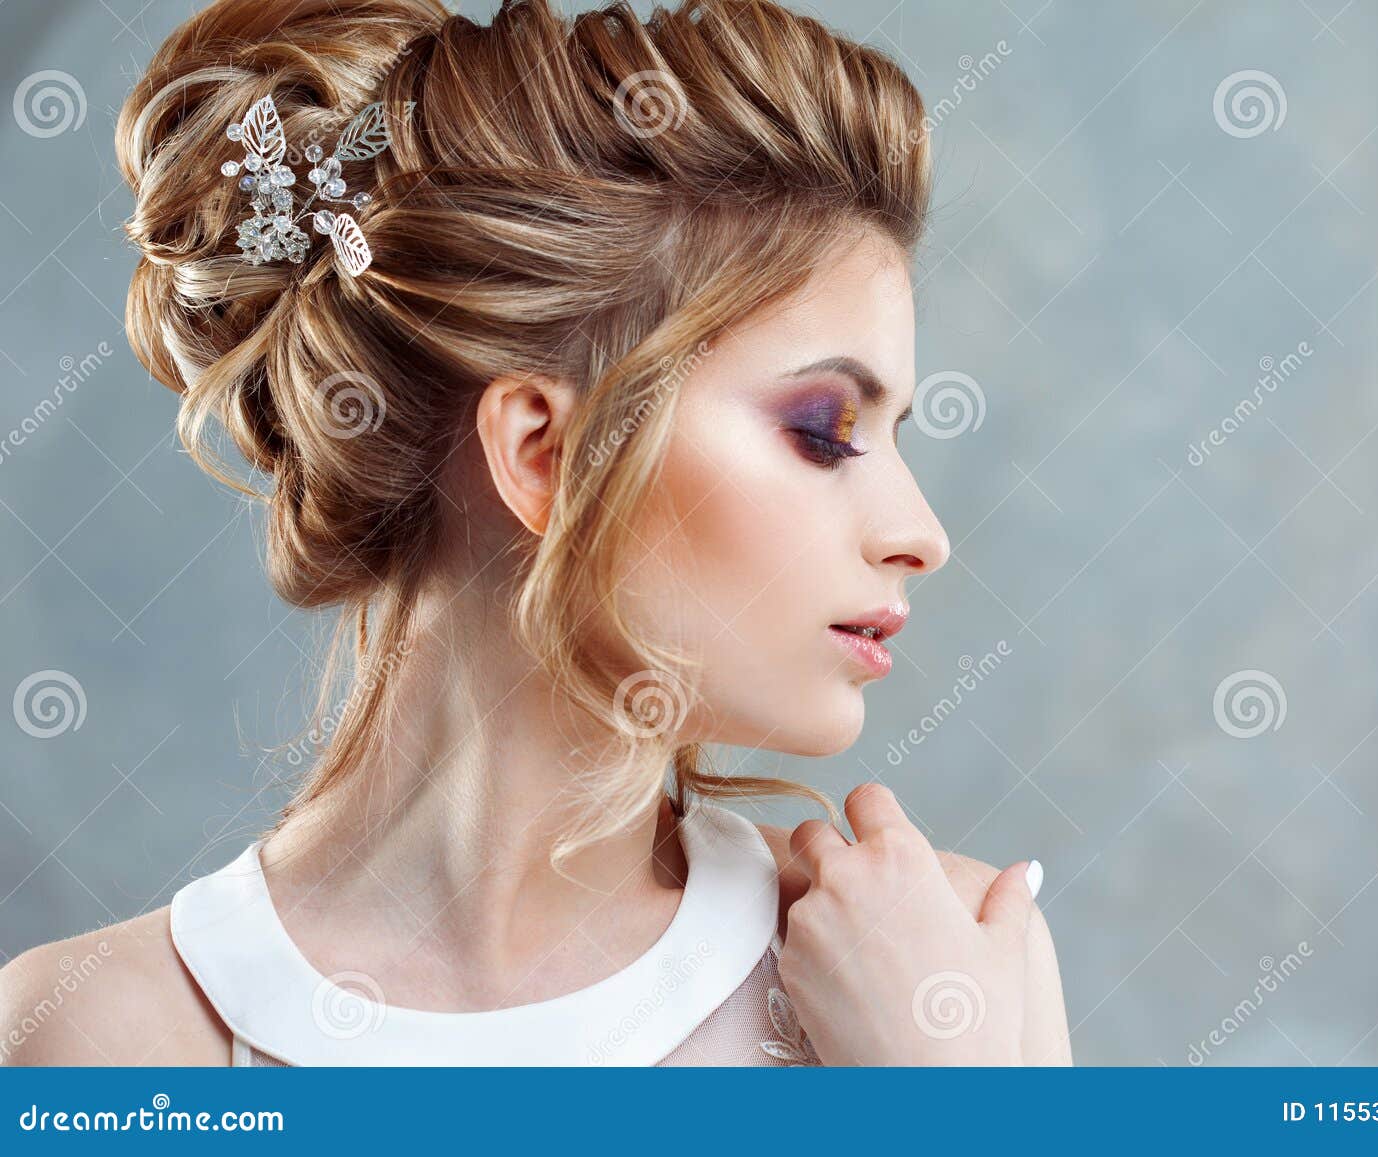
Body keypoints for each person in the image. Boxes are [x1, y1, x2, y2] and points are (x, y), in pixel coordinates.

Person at [0, 0, 1070, 1066]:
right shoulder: (100, 1038)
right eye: (824, 430)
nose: (921, 533)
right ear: (547, 453)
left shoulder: (950, 972)